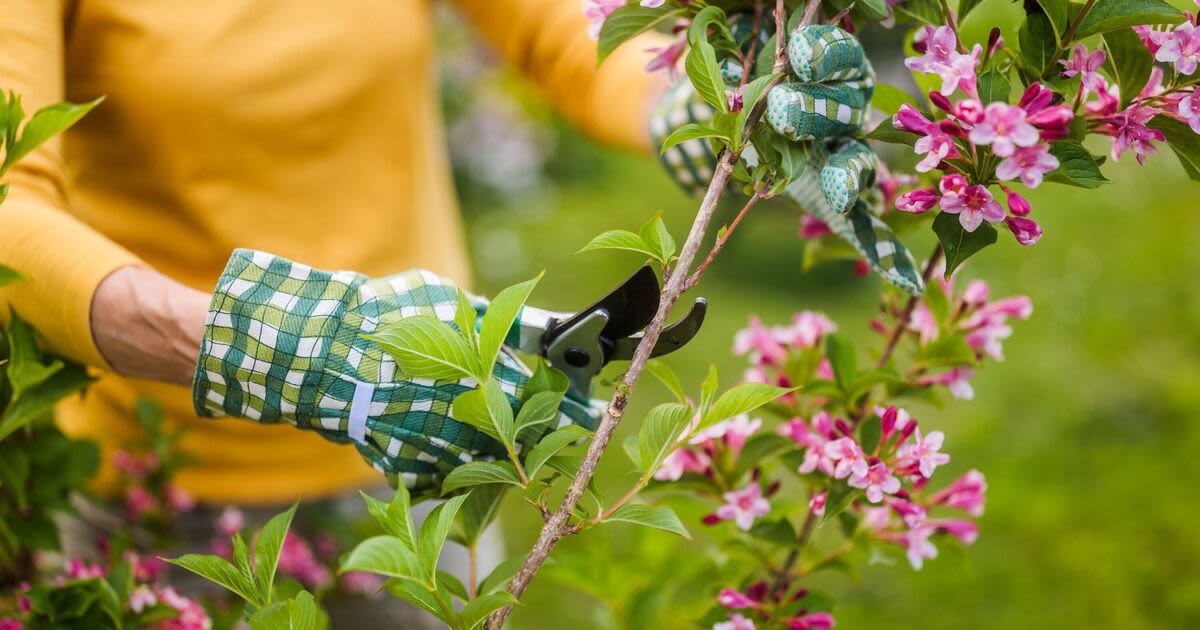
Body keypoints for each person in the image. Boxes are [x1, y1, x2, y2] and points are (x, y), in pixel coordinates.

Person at [1, 0, 874, 622]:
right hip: (155, 489)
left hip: (428, 426)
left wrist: (705, 110)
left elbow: (562, 37)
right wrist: (271, 344)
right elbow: (10, 210)